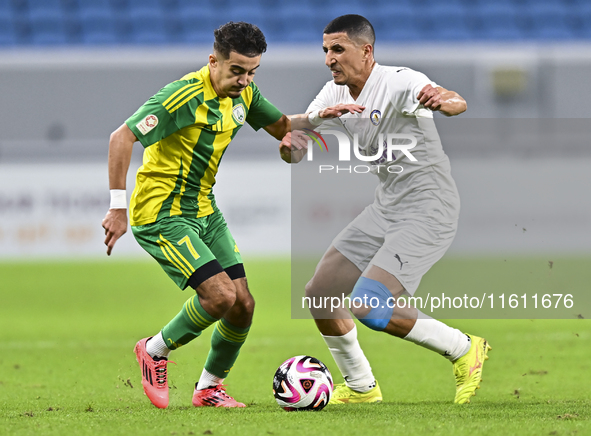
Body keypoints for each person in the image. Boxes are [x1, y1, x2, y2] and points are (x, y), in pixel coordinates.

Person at [280, 14, 491, 405]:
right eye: (325, 50)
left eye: (338, 49)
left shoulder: (399, 81)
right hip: (387, 206)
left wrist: (445, 101)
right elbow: (295, 130)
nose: (329, 58)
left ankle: (463, 348)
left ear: (366, 51)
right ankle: (361, 387)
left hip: (430, 207)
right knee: (320, 294)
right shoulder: (333, 94)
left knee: (367, 304)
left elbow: (453, 100)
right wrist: (294, 140)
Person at [101, 22, 292, 409]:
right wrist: (117, 207)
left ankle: (208, 389)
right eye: (237, 70)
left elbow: (285, 129)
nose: (244, 80)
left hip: (204, 209)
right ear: (213, 61)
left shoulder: (246, 95)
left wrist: (307, 130)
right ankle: (153, 350)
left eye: (252, 71)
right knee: (220, 296)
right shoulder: (182, 95)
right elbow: (121, 137)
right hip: (161, 213)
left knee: (243, 305)